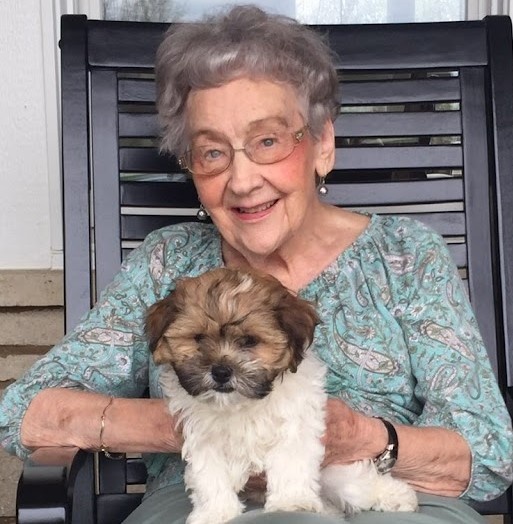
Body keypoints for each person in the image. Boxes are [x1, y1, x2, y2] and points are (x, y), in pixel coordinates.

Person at [1, 5, 512, 524]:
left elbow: (489, 453)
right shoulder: (165, 263)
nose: (242, 181)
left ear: (322, 145)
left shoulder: (406, 256)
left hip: (394, 500)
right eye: (212, 153)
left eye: (267, 141)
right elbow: (24, 412)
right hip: (207, 505)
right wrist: (197, 424)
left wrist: (364, 439)